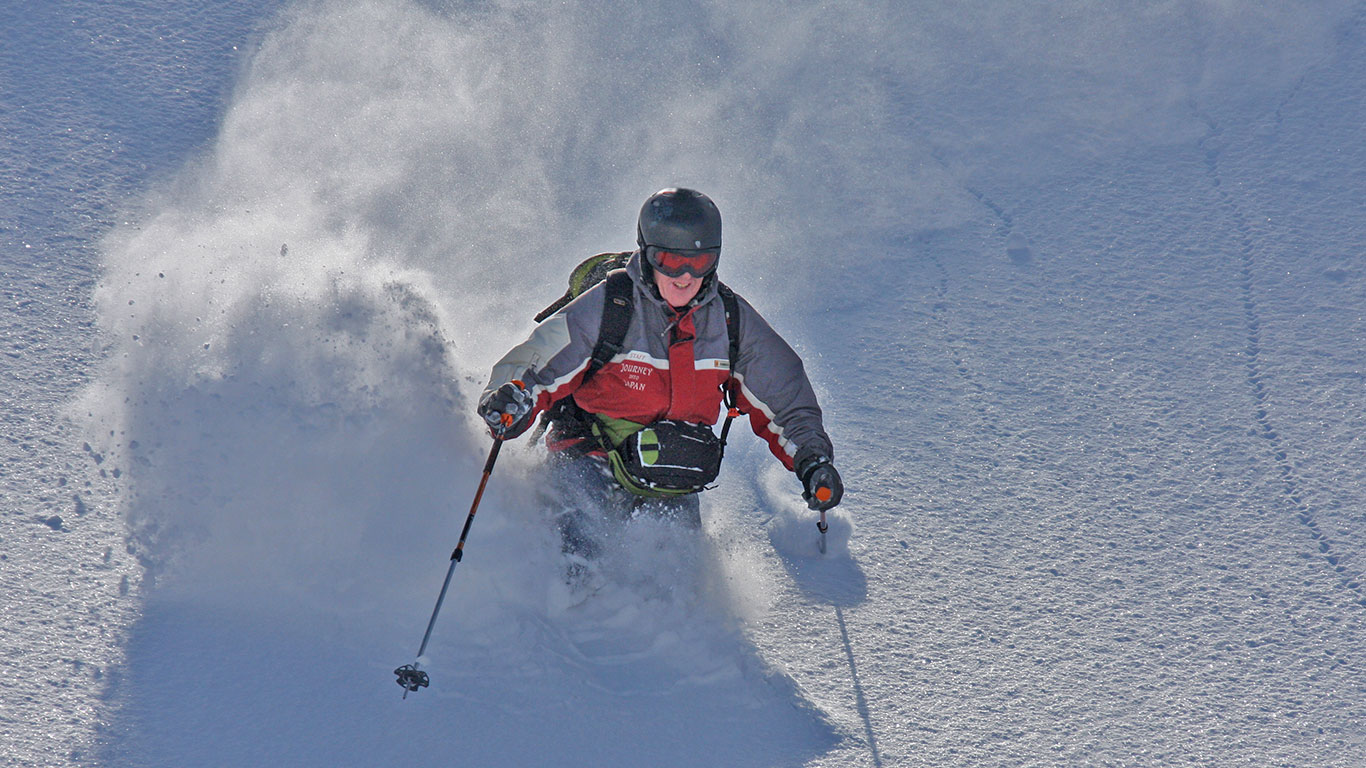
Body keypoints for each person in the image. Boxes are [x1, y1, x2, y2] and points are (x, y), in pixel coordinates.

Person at [476, 188, 842, 562]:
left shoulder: (730, 321)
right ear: (648, 255)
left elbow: (786, 396)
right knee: (575, 564)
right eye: (669, 261)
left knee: (672, 579)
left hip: (670, 477)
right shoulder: (612, 305)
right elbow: (538, 358)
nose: (684, 277)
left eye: (698, 262)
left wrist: (811, 459)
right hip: (587, 459)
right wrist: (511, 397)